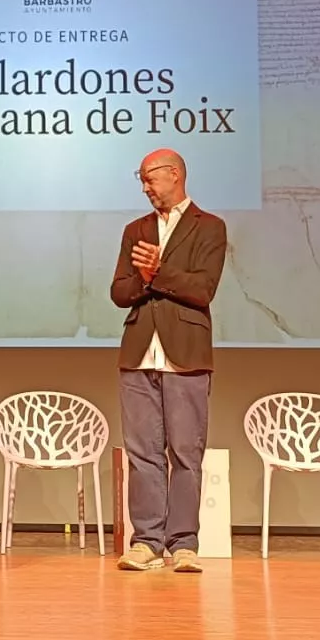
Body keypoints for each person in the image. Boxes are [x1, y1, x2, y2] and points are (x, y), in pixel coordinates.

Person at [109, 148, 227, 573]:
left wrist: (158, 273)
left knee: (185, 452)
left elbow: (202, 290)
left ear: (173, 175)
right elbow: (120, 292)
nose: (145, 187)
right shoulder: (135, 229)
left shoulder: (209, 227)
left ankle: (183, 543)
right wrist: (144, 280)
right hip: (140, 352)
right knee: (142, 453)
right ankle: (146, 541)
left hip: (187, 352)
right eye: (140, 180)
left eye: (149, 178)